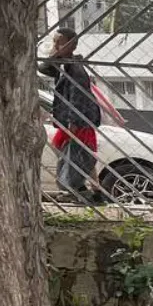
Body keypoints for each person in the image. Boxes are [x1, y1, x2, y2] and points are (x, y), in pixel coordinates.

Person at [39, 27, 102, 203]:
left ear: (72, 45)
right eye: (54, 42)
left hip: (78, 120)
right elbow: (44, 68)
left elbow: (78, 97)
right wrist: (55, 53)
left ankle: (75, 189)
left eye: (59, 42)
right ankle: (93, 189)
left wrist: (73, 122)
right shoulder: (65, 64)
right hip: (72, 119)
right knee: (70, 148)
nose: (55, 45)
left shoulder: (74, 68)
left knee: (76, 152)